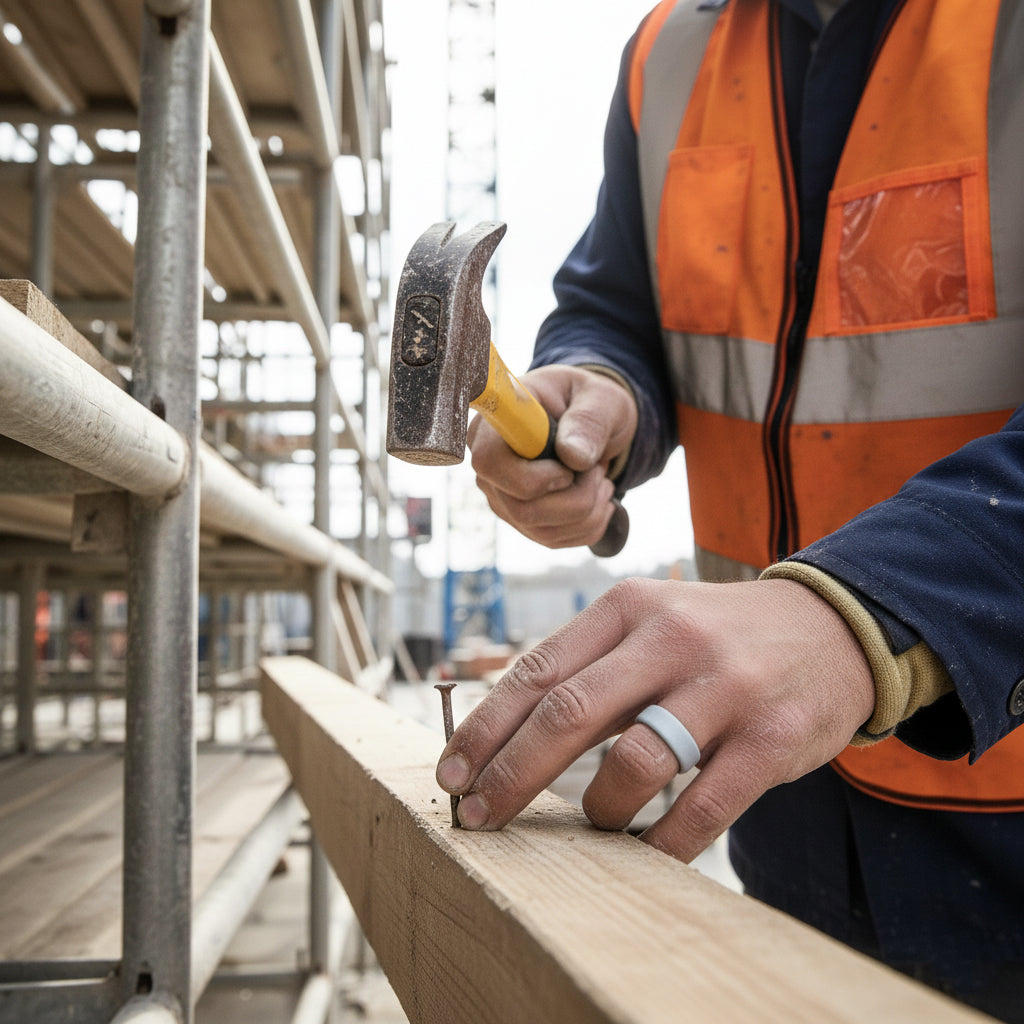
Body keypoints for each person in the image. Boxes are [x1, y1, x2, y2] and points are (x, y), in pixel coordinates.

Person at [434, 1, 1024, 1020]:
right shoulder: (672, 52)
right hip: (779, 791)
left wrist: (865, 609)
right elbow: (621, 301)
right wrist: (599, 384)